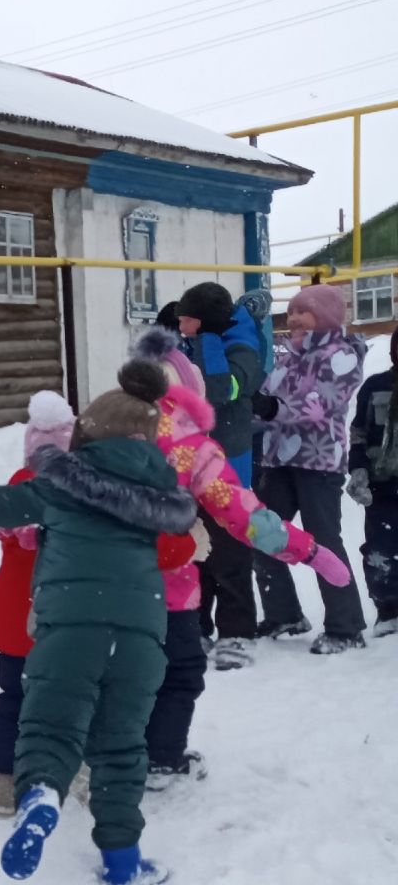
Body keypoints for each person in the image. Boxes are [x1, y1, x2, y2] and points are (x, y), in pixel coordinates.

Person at [0, 360, 197, 885]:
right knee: (122, 746)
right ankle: (122, 863)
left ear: (85, 436)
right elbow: (178, 549)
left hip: (69, 631)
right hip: (140, 638)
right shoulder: (162, 505)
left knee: (50, 726)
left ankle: (42, 798)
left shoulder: (59, 487)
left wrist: (38, 477)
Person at [131, 325, 347, 788]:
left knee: (113, 669)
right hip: (165, 584)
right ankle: (159, 760)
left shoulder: (100, 425)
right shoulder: (191, 446)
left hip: (91, 581)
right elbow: (244, 516)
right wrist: (308, 550)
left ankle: (103, 752)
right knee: (179, 670)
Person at [253, 284, 369, 653]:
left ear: (327, 316)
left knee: (322, 539)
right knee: (261, 532)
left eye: (304, 312)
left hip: (319, 462)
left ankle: (345, 626)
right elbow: (267, 399)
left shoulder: (341, 355)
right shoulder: (289, 358)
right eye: (291, 313)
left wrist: (272, 409)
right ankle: (284, 614)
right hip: (279, 458)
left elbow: (322, 405)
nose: (294, 320)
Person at [0, 392, 77, 816]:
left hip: (19, 618)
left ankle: (4, 775)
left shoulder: (18, 485)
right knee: (64, 696)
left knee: (15, 698)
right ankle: (20, 773)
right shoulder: (73, 492)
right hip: (53, 618)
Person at [173, 284, 267, 669]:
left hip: (229, 467)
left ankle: (238, 634)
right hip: (189, 465)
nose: (180, 323)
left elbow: (217, 389)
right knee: (194, 550)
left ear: (207, 319)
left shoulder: (242, 347)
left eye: (187, 316)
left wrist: (209, 339)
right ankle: (197, 626)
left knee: (229, 552)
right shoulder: (188, 345)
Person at [347, 353, 398, 636]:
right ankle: (389, 609)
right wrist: (358, 468)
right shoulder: (375, 386)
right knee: (381, 549)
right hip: (383, 484)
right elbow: (358, 433)